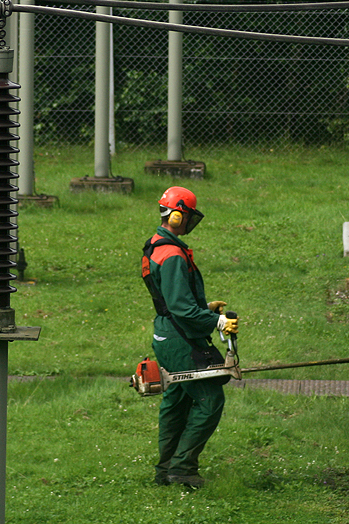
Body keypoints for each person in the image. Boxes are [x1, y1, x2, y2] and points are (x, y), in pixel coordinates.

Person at [141, 186, 240, 488]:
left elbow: (170, 301)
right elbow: (181, 309)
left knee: (177, 401)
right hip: (180, 339)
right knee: (210, 401)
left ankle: (164, 471)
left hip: (167, 335)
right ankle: (182, 469)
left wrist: (205, 308)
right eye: (188, 217)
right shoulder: (171, 255)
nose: (189, 224)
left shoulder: (158, 246)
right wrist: (217, 321)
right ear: (176, 215)